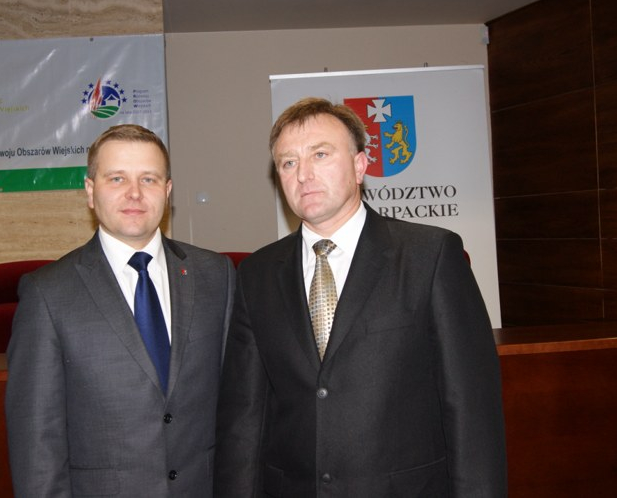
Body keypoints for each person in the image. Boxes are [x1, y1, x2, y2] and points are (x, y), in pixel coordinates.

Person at [215, 98, 506, 497]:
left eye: (320, 154)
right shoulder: (256, 274)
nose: (304, 174)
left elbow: (471, 407)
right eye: (288, 162)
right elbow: (243, 417)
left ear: (359, 166)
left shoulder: (431, 256)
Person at [6, 124, 235, 497]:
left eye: (149, 179)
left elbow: (238, 409)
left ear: (168, 191)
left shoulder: (217, 276)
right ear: (90, 191)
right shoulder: (47, 294)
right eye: (117, 178)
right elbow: (37, 446)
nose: (134, 193)